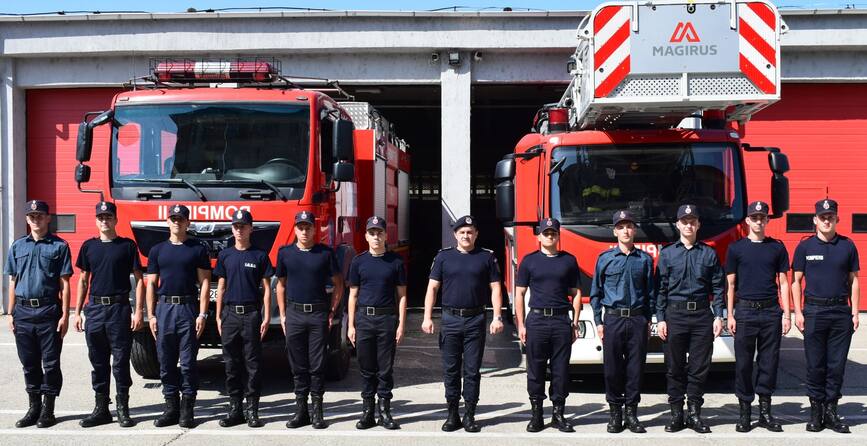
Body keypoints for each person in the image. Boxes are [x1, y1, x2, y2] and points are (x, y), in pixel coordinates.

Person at [421, 215, 504, 433]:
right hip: (450, 320)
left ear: (476, 234)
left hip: (476, 319)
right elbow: (432, 288)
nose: (466, 235)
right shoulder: (443, 257)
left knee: (472, 370)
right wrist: (427, 317)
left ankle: (469, 414)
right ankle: (452, 414)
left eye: (470, 232)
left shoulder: (486, 257)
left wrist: (497, 316)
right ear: (455, 234)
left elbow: (496, 288)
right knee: (450, 370)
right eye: (462, 232)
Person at [73, 201, 145, 428]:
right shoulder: (88, 247)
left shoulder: (127, 246)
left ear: (116, 220)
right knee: (98, 361)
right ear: (96, 220)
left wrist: (138, 311)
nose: (104, 221)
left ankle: (123, 409)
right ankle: (101, 409)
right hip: (94, 310)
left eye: (108, 217)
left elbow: (140, 280)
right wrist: (77, 312)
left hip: (119, 309)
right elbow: (83, 280)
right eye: (101, 217)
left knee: (121, 361)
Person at [792, 198, 860, 434]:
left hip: (841, 312)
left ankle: (832, 412)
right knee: (815, 366)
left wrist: (855, 312)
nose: (827, 220)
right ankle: (815, 413)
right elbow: (796, 282)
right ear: (815, 220)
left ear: (837, 219)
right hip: (814, 312)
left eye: (830, 216)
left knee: (836, 366)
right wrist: (798, 312)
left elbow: (854, 281)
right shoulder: (805, 247)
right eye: (822, 216)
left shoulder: (847, 246)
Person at [656, 204, 725, 434]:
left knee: (699, 367)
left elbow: (718, 286)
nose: (688, 225)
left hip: (702, 316)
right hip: (674, 315)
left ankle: (695, 413)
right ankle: (676, 414)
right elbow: (660, 290)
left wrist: (719, 316)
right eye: (684, 221)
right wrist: (660, 319)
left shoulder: (709, 253)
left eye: (692, 221)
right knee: (674, 367)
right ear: (677, 224)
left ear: (698, 224)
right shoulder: (667, 254)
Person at [5, 200, 72, 428]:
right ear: (26, 219)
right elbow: (13, 281)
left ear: (48, 218)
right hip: (23, 311)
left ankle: (48, 409)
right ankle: (33, 407)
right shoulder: (17, 246)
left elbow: (65, 283)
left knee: (51, 363)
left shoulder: (59, 246)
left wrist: (65, 315)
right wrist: (11, 313)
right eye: (32, 216)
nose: (36, 219)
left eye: (40, 215)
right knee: (29, 363)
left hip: (48, 311)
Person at [725, 201, 790, 433]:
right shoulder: (736, 248)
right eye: (755, 217)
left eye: (762, 217)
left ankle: (765, 412)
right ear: (747, 221)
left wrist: (787, 314)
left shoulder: (777, 248)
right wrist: (730, 314)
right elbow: (731, 285)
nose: (759, 221)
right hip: (745, 311)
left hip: (771, 311)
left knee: (769, 362)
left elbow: (783, 282)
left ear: (767, 221)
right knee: (743, 363)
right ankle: (744, 412)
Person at [276, 211, 344, 429]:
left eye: (308, 227)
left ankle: (317, 411)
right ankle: (301, 411)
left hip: (318, 314)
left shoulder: (324, 253)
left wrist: (332, 310)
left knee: (317, 365)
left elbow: (338, 284)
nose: (304, 231)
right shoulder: (285, 253)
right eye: (300, 227)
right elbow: (281, 285)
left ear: (315, 229)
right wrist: (284, 314)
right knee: (298, 365)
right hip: (294, 313)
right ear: (295, 229)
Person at [146, 204, 211, 428]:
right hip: (164, 309)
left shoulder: (197, 249)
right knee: (165, 362)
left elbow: (204, 282)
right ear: (167, 222)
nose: (176, 222)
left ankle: (187, 410)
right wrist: (151, 315)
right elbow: (151, 283)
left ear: (187, 223)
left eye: (181, 219)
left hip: (187, 308)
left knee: (188, 363)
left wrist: (202, 313)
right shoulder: (157, 251)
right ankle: (171, 408)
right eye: (173, 218)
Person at [590, 210, 655, 434]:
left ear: (634, 230)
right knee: (612, 369)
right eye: (621, 226)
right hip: (614, 319)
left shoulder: (645, 260)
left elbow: (651, 294)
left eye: (629, 226)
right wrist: (598, 321)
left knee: (636, 368)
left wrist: (649, 320)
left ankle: (632, 414)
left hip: (637, 319)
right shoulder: (605, 259)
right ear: (615, 231)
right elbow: (596, 293)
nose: (626, 230)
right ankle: (615, 413)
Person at [514, 217, 580, 433]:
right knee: (536, 369)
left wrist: (575, 322)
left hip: (561, 320)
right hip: (537, 320)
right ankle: (537, 415)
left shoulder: (569, 260)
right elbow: (520, 294)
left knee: (561, 370)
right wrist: (521, 325)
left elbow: (576, 292)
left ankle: (558, 414)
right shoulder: (529, 261)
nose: (550, 236)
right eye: (546, 233)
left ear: (558, 235)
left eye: (553, 233)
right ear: (539, 236)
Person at [347, 216, 408, 430]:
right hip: (364, 319)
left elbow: (402, 296)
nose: (376, 236)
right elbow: (353, 295)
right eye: (372, 233)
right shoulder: (358, 261)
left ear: (385, 235)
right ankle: (367, 412)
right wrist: (351, 325)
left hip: (386, 319)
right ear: (366, 236)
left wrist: (401, 324)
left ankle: (385, 412)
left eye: (379, 232)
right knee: (366, 368)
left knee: (385, 369)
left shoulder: (396, 262)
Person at [214, 210, 272, 428]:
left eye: (243, 226)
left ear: (251, 229)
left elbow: (267, 290)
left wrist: (266, 316)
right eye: (236, 226)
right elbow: (220, 287)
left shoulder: (259, 256)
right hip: (229, 314)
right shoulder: (225, 255)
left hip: (251, 314)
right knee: (231, 364)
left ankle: (252, 410)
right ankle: (235, 409)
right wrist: (219, 316)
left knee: (253, 364)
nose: (239, 230)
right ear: (232, 229)